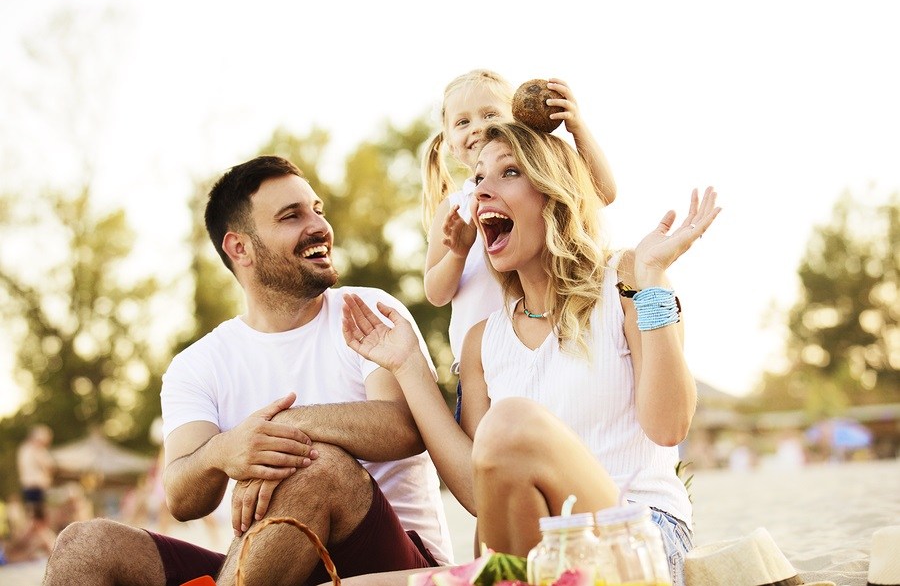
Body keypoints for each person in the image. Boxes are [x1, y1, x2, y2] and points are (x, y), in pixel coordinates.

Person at [43, 155, 452, 586]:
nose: (318, 226)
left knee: (317, 468)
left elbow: (404, 426)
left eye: (317, 210)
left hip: (393, 563)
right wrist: (226, 451)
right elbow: (182, 496)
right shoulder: (196, 365)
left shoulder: (368, 311)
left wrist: (283, 428)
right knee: (84, 546)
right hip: (267, 565)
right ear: (240, 248)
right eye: (291, 216)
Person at [343, 122, 720, 586]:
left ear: (552, 193)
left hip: (639, 540)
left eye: (509, 172)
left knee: (510, 423)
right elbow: (482, 495)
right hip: (541, 557)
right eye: (478, 178)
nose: (481, 190)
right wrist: (408, 364)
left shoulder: (625, 281)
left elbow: (669, 427)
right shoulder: (482, 340)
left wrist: (654, 281)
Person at [421, 69, 618, 421]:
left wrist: (577, 128)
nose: (477, 127)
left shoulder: (533, 188)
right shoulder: (452, 208)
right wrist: (458, 252)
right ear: (450, 143)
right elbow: (436, 293)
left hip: (548, 345)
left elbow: (602, 193)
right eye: (462, 122)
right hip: (483, 366)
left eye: (490, 115)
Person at [15, 424, 57, 558]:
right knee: (38, 522)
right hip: (35, 489)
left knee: (36, 522)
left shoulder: (24, 449)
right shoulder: (35, 450)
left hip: (31, 489)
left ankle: (27, 549)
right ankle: (52, 547)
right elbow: (50, 466)